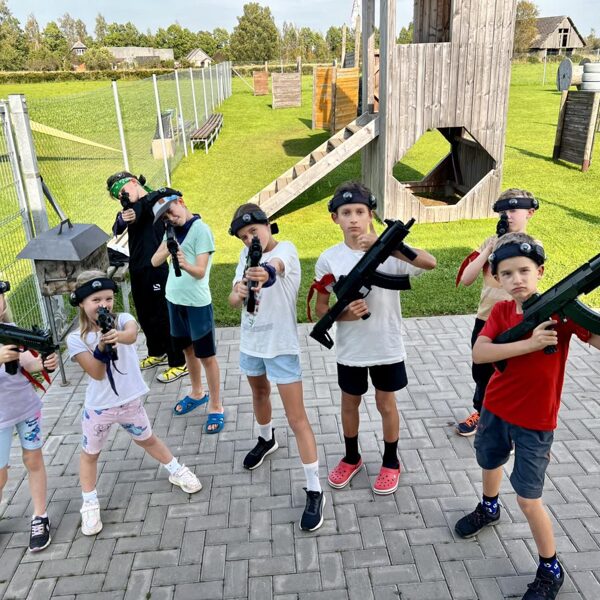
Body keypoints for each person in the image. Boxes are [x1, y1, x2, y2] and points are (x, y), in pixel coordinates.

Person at [454, 233, 600, 600]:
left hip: (536, 421)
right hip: (495, 408)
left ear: (540, 272)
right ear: (497, 278)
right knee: (489, 460)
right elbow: (480, 353)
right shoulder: (502, 312)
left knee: (527, 498)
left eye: (524, 270)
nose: (516, 279)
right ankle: (489, 507)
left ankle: (550, 567)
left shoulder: (562, 313)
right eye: (507, 273)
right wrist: (530, 344)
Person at [313, 181, 436, 495]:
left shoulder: (389, 252)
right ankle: (351, 457)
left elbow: (430, 262)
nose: (353, 219)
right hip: (351, 348)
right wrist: (346, 314)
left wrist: (391, 247)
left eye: (359, 211)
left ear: (370, 215)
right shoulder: (329, 259)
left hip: (386, 344)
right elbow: (321, 309)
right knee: (349, 403)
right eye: (346, 213)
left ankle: (391, 461)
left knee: (386, 403)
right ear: (335, 218)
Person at [66, 271, 202, 536]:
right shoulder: (76, 339)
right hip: (100, 408)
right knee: (90, 454)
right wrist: (101, 348)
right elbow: (96, 373)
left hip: (129, 402)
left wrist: (114, 335)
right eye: (96, 300)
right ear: (81, 303)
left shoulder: (122, 320)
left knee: (147, 439)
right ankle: (89, 501)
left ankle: (176, 469)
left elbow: (131, 333)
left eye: (108, 298)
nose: (104, 305)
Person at [228, 203, 325, 531]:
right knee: (259, 394)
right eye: (243, 237)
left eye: (253, 231)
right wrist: (239, 291)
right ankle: (266, 439)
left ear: (267, 224)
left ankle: (314, 488)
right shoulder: (244, 256)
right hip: (251, 342)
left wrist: (263, 273)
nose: (249, 240)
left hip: (280, 346)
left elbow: (276, 269)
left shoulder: (287, 249)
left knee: (297, 418)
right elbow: (232, 300)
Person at [455, 189, 539, 436]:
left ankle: (508, 425)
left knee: (511, 373)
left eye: (513, 210)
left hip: (516, 320)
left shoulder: (532, 246)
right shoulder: (489, 243)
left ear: (529, 213)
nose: (507, 216)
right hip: (485, 319)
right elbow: (467, 279)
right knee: (481, 371)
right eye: (503, 211)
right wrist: (489, 250)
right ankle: (481, 413)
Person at [150, 193, 224, 431]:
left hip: (197, 304)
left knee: (206, 356)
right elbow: (154, 262)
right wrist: (167, 247)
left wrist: (183, 262)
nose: (171, 218)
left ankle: (216, 406)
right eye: (165, 218)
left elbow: (200, 272)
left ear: (180, 202)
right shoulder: (170, 231)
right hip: (174, 300)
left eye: (171, 212)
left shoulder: (201, 230)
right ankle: (197, 392)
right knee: (187, 351)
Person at [107, 172, 188, 384]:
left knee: (163, 315)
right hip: (137, 268)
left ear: (134, 182)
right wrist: (122, 218)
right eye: (118, 195)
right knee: (145, 313)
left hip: (156, 267)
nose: (121, 196)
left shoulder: (156, 201)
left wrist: (140, 205)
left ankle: (179, 362)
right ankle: (157, 351)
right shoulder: (131, 207)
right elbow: (118, 227)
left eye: (123, 191)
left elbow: (169, 194)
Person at [0, 278, 58, 551]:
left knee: (33, 460)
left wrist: (45, 362)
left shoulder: (10, 331)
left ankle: (40, 516)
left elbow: (28, 363)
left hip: (25, 408)